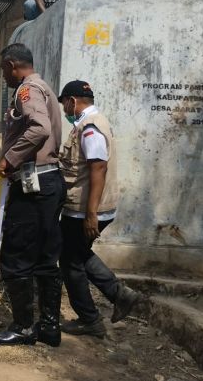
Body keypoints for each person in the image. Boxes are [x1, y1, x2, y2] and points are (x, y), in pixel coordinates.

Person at [0, 43, 65, 348]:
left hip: (33, 185)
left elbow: (39, 129)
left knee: (16, 256)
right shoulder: (45, 88)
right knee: (46, 258)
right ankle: (49, 328)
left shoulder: (26, 91)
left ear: (10, 65)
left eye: (4, 70)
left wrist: (9, 159)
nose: (4, 77)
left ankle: (22, 327)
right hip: (50, 181)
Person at [57, 80, 141, 337]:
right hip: (87, 207)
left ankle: (90, 319)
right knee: (78, 253)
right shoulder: (91, 122)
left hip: (85, 209)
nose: (64, 111)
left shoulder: (90, 127)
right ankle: (119, 294)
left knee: (70, 261)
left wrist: (91, 214)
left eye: (64, 105)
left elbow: (98, 168)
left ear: (72, 101)